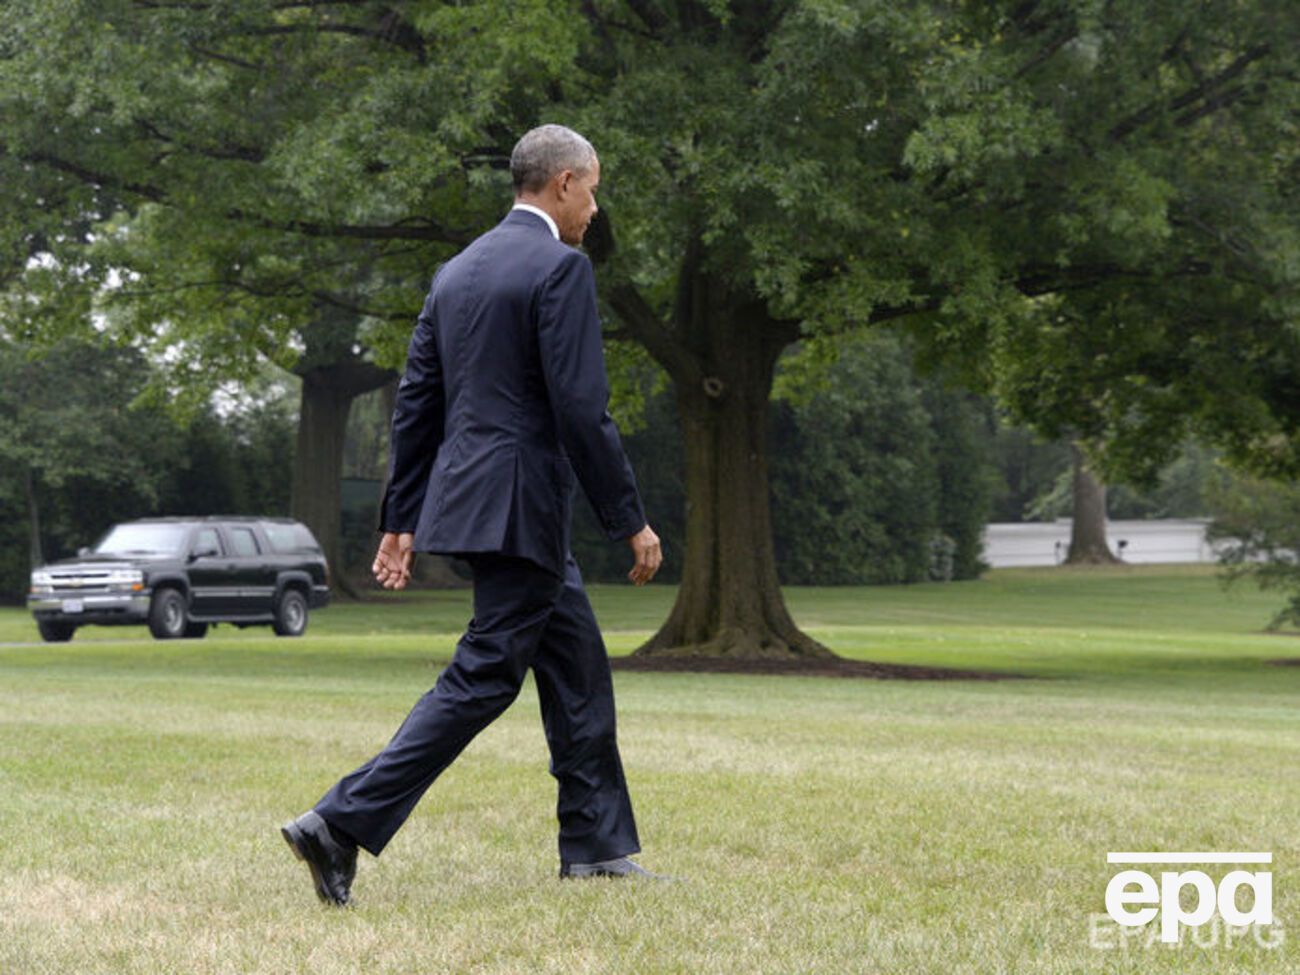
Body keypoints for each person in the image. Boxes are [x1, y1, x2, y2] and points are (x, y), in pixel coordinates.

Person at [280, 124, 665, 906]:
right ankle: (339, 821)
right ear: (561, 183)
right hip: (524, 505)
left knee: (578, 668)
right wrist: (630, 517)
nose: (594, 206)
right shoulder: (561, 268)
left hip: (480, 504)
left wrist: (402, 515)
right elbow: (582, 408)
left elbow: (418, 403)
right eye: (592, 188)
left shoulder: (455, 273)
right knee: (486, 675)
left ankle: (596, 847)